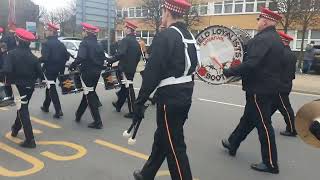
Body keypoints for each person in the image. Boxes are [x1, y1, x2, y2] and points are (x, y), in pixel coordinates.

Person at [132, 0, 200, 179]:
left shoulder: (166, 35)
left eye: (163, 11)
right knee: (164, 136)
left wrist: (140, 102)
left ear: (168, 12)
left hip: (170, 99)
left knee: (175, 146)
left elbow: (153, 73)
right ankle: (147, 174)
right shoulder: (189, 36)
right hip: (185, 94)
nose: (162, 15)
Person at [222, 7, 284, 174]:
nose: (257, 23)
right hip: (267, 88)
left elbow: (251, 64)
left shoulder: (262, 39)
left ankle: (271, 163)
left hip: (259, 89)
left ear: (264, 21)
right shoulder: (276, 39)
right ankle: (233, 143)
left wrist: (229, 72)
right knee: (248, 119)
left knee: (264, 125)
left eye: (258, 20)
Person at [1, 28, 43, 148]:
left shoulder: (11, 54)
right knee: (22, 106)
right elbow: (40, 74)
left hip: (18, 86)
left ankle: (30, 140)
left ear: (17, 40)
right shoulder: (34, 57)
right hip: (30, 87)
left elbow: (6, 71)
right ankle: (15, 129)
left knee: (23, 110)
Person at [69, 22, 105, 129]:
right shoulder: (98, 44)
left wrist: (72, 65)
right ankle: (78, 114)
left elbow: (81, 57)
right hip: (97, 73)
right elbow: (102, 57)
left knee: (90, 95)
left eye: (83, 31)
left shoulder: (84, 43)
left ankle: (98, 122)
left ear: (86, 32)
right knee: (88, 93)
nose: (82, 32)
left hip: (87, 73)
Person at [107, 21, 141, 119]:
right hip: (132, 68)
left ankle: (133, 111)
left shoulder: (126, 40)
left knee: (128, 87)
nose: (124, 29)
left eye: (125, 28)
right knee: (125, 87)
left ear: (129, 30)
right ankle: (119, 104)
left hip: (125, 68)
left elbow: (121, 53)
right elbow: (138, 57)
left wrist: (111, 60)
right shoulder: (136, 42)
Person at [40, 23, 69, 119]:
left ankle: (58, 110)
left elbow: (45, 58)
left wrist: (36, 60)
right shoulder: (61, 44)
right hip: (59, 70)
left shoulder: (46, 43)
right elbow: (67, 57)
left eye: (47, 30)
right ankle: (46, 106)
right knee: (50, 86)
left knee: (51, 88)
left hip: (50, 70)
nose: (46, 32)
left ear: (52, 32)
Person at [271, 31, 297, 137]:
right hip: (286, 83)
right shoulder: (291, 54)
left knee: (285, 108)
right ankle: (260, 122)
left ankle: (292, 129)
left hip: (280, 85)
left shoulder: (281, 54)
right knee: (271, 105)